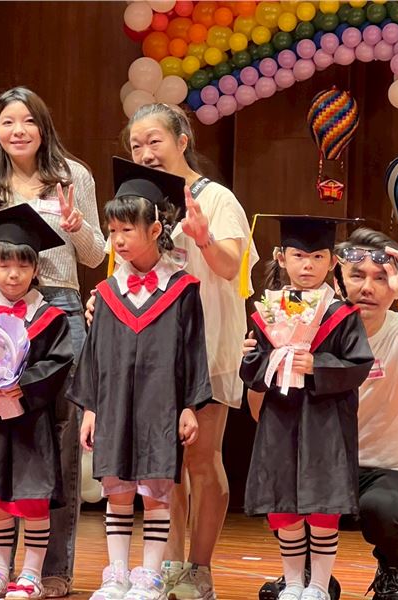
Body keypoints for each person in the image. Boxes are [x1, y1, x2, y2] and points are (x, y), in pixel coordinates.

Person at [87, 103, 258, 600]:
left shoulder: (216, 198)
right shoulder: (141, 201)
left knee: (201, 458)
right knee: (164, 466)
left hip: (206, 347)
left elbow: (231, 267)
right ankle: (167, 566)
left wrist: (203, 240)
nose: (145, 152)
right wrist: (104, 302)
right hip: (150, 355)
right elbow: (124, 268)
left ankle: (198, 570)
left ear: (183, 141)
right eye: (136, 145)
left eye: (154, 140)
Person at [0, 86, 105, 597]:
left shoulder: (73, 176)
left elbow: (95, 256)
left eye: (27, 121)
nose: (18, 130)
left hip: (57, 309)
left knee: (58, 440)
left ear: (43, 126)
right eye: (7, 122)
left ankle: (51, 571)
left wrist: (77, 226)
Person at [252, 227, 398, 600]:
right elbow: (260, 412)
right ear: (337, 278)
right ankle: (309, 577)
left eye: (381, 278)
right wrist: (267, 359)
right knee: (280, 484)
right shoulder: (304, 332)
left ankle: (394, 570)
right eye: (357, 276)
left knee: (385, 509)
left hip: (388, 472)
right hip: (320, 467)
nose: (368, 288)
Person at [69, 159, 211, 600]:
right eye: (112, 231)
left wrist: (190, 405)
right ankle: (116, 574)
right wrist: (90, 408)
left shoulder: (182, 290)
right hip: (113, 403)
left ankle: (149, 576)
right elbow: (94, 354)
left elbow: (194, 352)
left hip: (160, 404)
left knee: (154, 491)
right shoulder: (108, 293)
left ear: (155, 230)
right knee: (116, 490)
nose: (117, 240)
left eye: (127, 230)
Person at [240, 215, 374, 600]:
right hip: (280, 418)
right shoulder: (268, 311)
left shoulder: (342, 315)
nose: (307, 265)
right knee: (284, 505)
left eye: (317, 257)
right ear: (281, 258)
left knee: (322, 505)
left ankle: (318, 585)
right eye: (298, 256)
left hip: (325, 421)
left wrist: (317, 365)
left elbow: (359, 364)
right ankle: (293, 582)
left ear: (332, 262)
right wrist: (257, 358)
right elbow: (252, 372)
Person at [0, 204, 74, 600]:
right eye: (4, 265)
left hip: (31, 422)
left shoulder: (50, 317)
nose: (13, 274)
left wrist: (22, 385)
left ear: (36, 269)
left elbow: (58, 363)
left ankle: (30, 575)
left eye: (23, 265)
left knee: (32, 497)